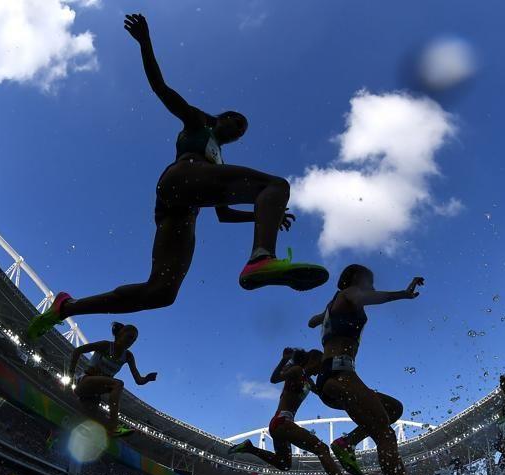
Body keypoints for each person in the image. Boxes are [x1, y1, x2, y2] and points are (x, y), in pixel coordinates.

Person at [27, 12, 328, 341]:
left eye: (243, 132)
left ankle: (66, 308)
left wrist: (263, 213)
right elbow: (160, 87)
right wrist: (145, 43)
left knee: (161, 293)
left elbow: (224, 215)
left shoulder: (219, 158)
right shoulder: (199, 122)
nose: (239, 132)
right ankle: (261, 258)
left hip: (182, 212)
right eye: (237, 123)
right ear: (222, 117)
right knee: (275, 185)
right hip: (180, 179)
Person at [308, 264, 424, 475]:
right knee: (385, 435)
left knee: (393, 409)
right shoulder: (350, 293)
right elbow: (366, 297)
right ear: (354, 279)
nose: (371, 285)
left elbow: (311, 322)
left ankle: (348, 441)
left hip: (332, 377)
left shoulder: (333, 304)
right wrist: (403, 294)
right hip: (342, 374)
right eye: (368, 280)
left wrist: (324, 317)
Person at [228, 348, 371, 475]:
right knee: (322, 449)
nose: (319, 371)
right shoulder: (297, 370)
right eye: (319, 365)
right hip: (282, 421)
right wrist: (284, 359)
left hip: (280, 424)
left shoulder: (308, 380)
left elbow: (325, 395)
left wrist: (352, 396)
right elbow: (275, 378)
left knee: (284, 465)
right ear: (312, 360)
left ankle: (250, 448)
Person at [68, 322, 156, 437]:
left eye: (134, 340)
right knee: (118, 384)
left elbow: (138, 381)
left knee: (85, 422)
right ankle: (114, 426)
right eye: (129, 337)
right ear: (120, 333)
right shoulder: (105, 345)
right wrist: (71, 375)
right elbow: (77, 351)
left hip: (96, 393)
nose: (131, 342)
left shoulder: (128, 356)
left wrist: (147, 379)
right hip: (85, 382)